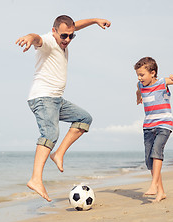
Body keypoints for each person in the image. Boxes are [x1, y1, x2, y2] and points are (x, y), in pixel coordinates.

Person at [15, 15, 111, 202]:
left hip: (56, 100)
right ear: (54, 32)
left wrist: (95, 20)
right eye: (64, 36)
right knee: (50, 134)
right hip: (43, 98)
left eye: (71, 36)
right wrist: (29, 36)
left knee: (84, 119)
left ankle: (58, 153)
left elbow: (76, 26)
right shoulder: (49, 42)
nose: (67, 40)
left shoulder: (65, 38)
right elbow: (37, 38)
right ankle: (35, 179)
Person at [135, 57, 173, 202]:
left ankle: (153, 185)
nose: (140, 78)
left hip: (164, 124)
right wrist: (138, 98)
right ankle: (161, 192)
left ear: (152, 73)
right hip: (148, 126)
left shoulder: (163, 82)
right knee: (149, 161)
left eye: (142, 75)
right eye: (138, 75)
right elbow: (138, 91)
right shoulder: (140, 85)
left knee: (156, 151)